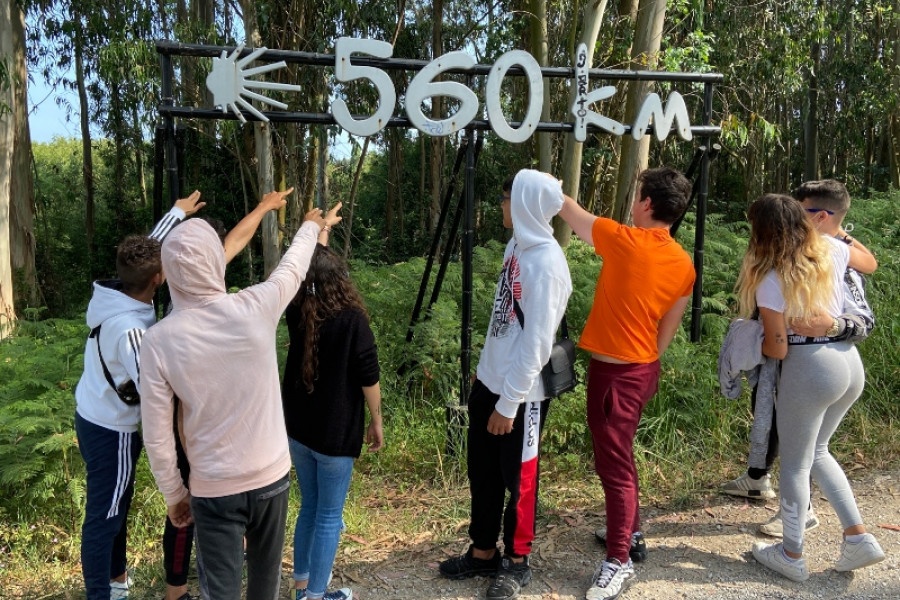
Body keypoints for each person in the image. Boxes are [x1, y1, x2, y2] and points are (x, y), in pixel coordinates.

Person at [139, 189, 341, 600]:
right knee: (265, 587)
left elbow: (157, 435)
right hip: (271, 477)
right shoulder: (255, 307)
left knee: (221, 592)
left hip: (213, 488)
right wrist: (308, 226)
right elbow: (292, 268)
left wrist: (175, 494)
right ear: (216, 261)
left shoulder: (158, 341)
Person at [557, 167, 695, 600]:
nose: (632, 202)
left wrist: (545, 184)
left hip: (616, 375)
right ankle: (630, 533)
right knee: (618, 456)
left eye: (636, 194)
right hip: (641, 369)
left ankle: (618, 560)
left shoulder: (625, 241)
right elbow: (667, 332)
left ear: (648, 204)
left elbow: (569, 211)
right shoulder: (683, 262)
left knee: (614, 467)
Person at [736, 194, 885, 582]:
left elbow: (777, 347)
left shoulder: (770, 280)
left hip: (810, 369)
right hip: (848, 362)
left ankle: (791, 553)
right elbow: (867, 261)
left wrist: (749, 342)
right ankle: (858, 539)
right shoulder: (832, 250)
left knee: (797, 463)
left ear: (762, 234)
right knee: (818, 452)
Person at [438, 170, 571, 600]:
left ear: (526, 203)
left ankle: (517, 561)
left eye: (506, 196)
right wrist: (484, 370)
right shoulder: (517, 246)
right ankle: (482, 552)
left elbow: (536, 344)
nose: (500, 203)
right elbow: (503, 319)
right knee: (483, 471)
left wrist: (509, 403)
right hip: (492, 381)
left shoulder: (547, 264)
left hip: (523, 395)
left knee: (520, 478)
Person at [159, 190, 295, 600]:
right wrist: (175, 215)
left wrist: (262, 208)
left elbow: (231, 244)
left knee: (203, 516)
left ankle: (184, 584)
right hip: (197, 439)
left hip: (218, 452)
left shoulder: (188, 304)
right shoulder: (171, 319)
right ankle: (176, 587)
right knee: (188, 518)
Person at [74, 193, 204, 600]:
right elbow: (156, 387)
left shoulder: (117, 289)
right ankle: (102, 592)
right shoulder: (131, 332)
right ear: (158, 279)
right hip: (110, 429)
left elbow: (145, 250)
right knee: (106, 515)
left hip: (93, 410)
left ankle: (116, 580)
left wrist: (177, 213)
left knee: (117, 503)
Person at [282, 238, 383, 600]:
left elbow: (310, 268)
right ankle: (316, 594)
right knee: (328, 515)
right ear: (340, 276)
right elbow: (368, 375)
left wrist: (317, 234)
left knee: (309, 506)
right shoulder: (352, 319)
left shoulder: (296, 309)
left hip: (299, 431)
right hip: (335, 434)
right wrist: (377, 420)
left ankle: (301, 585)